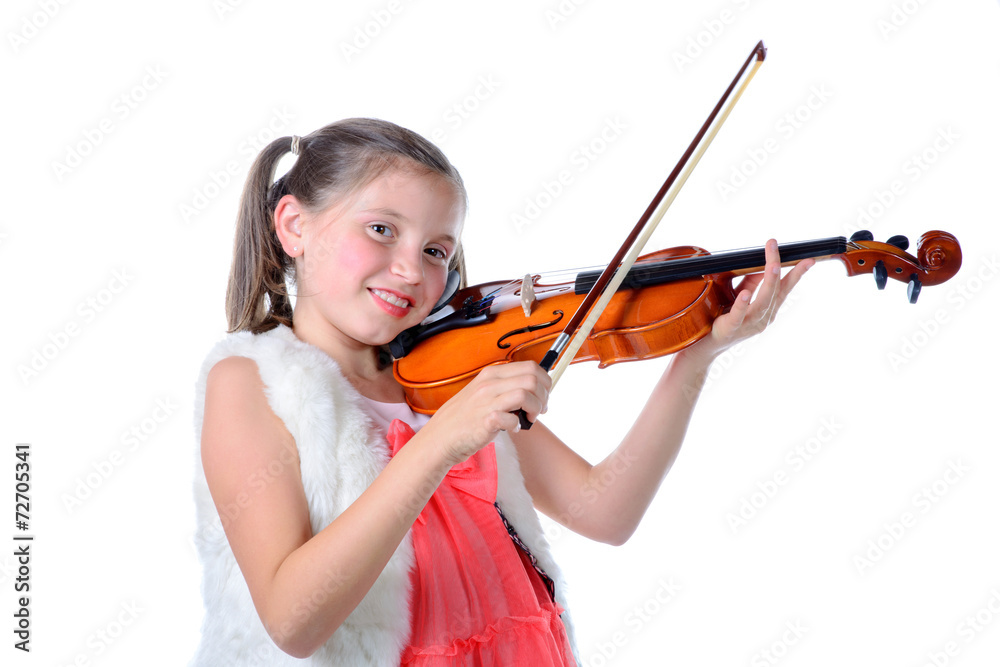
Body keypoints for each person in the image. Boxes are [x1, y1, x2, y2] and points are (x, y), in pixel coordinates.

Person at [190, 118, 812, 666]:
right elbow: (293, 623)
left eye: (437, 250)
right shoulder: (252, 383)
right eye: (381, 229)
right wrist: (439, 442)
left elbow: (604, 511)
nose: (412, 269)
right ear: (294, 225)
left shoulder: (451, 375)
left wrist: (699, 356)